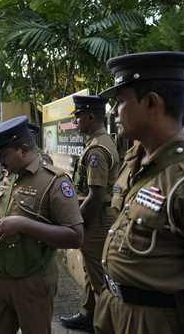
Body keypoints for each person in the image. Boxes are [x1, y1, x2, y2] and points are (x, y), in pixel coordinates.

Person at [94, 51, 184, 334]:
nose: (113, 112)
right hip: (118, 317)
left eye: (121, 101)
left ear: (151, 103)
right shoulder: (137, 164)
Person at [0, 115, 84, 334]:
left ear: (22, 149)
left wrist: (23, 225)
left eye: (4, 154)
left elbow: (75, 236)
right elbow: (2, 209)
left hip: (31, 282)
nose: (0, 161)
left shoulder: (54, 181)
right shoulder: (11, 176)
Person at [60, 95, 120, 333]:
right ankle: (89, 314)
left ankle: (107, 325)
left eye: (78, 116)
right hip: (95, 216)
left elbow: (96, 194)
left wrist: (77, 222)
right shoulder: (100, 141)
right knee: (91, 270)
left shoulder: (97, 149)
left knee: (99, 279)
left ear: (91, 116)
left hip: (96, 218)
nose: (76, 122)